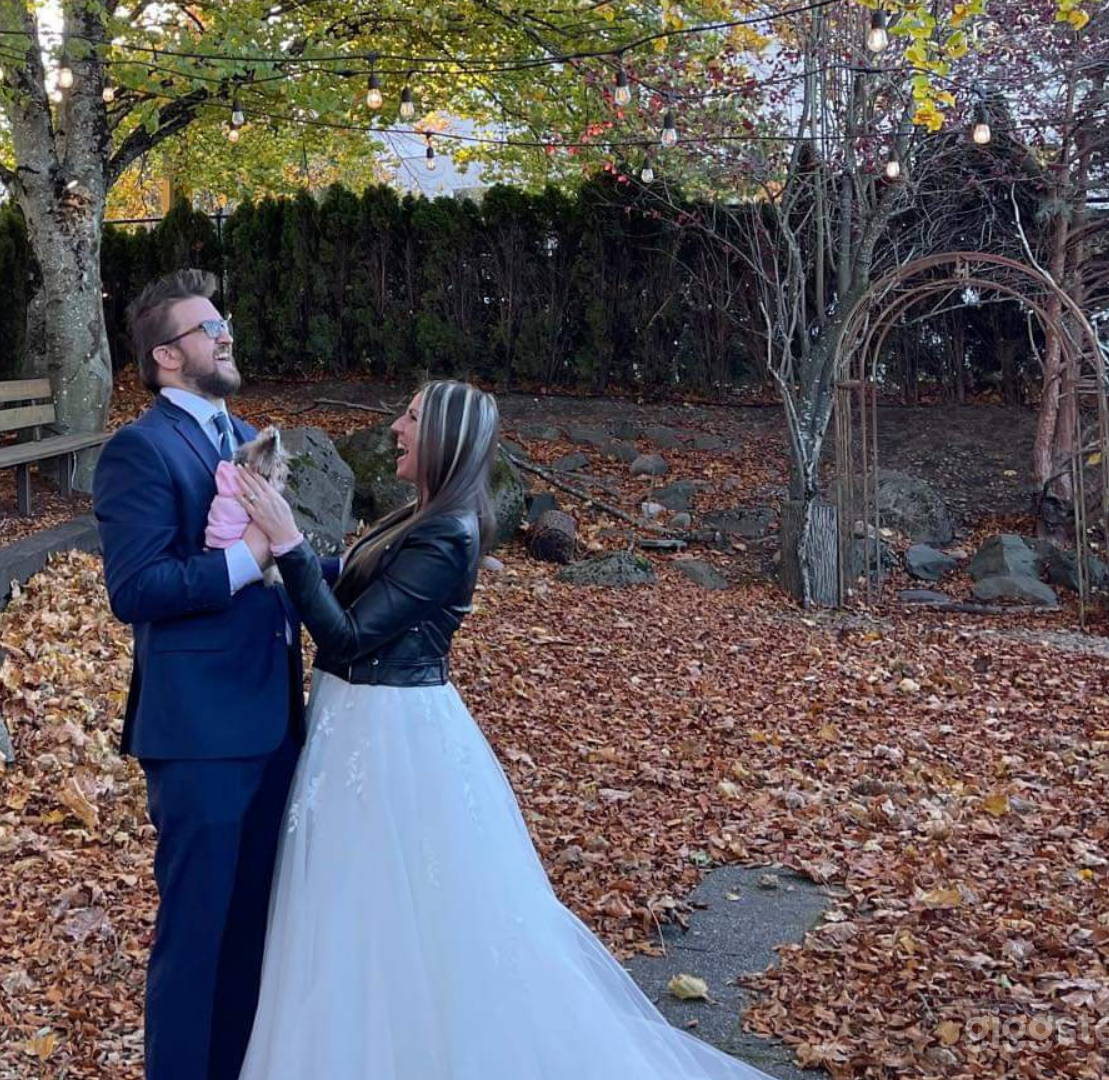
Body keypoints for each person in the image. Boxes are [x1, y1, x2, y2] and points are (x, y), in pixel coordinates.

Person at [231, 380, 774, 1080]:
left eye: (411, 418)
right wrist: (280, 557)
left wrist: (288, 543)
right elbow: (356, 581)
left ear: (445, 440)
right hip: (358, 728)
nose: (395, 427)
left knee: (393, 910)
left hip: (390, 738)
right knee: (355, 915)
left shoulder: (447, 536)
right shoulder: (421, 516)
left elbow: (344, 634)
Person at [91, 269, 335, 1080]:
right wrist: (250, 556)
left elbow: (293, 561)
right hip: (198, 733)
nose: (226, 334)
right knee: (196, 939)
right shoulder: (140, 449)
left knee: (251, 934)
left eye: (223, 323)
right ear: (166, 355)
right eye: (208, 328)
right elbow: (136, 591)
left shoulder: (248, 435)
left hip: (272, 720)